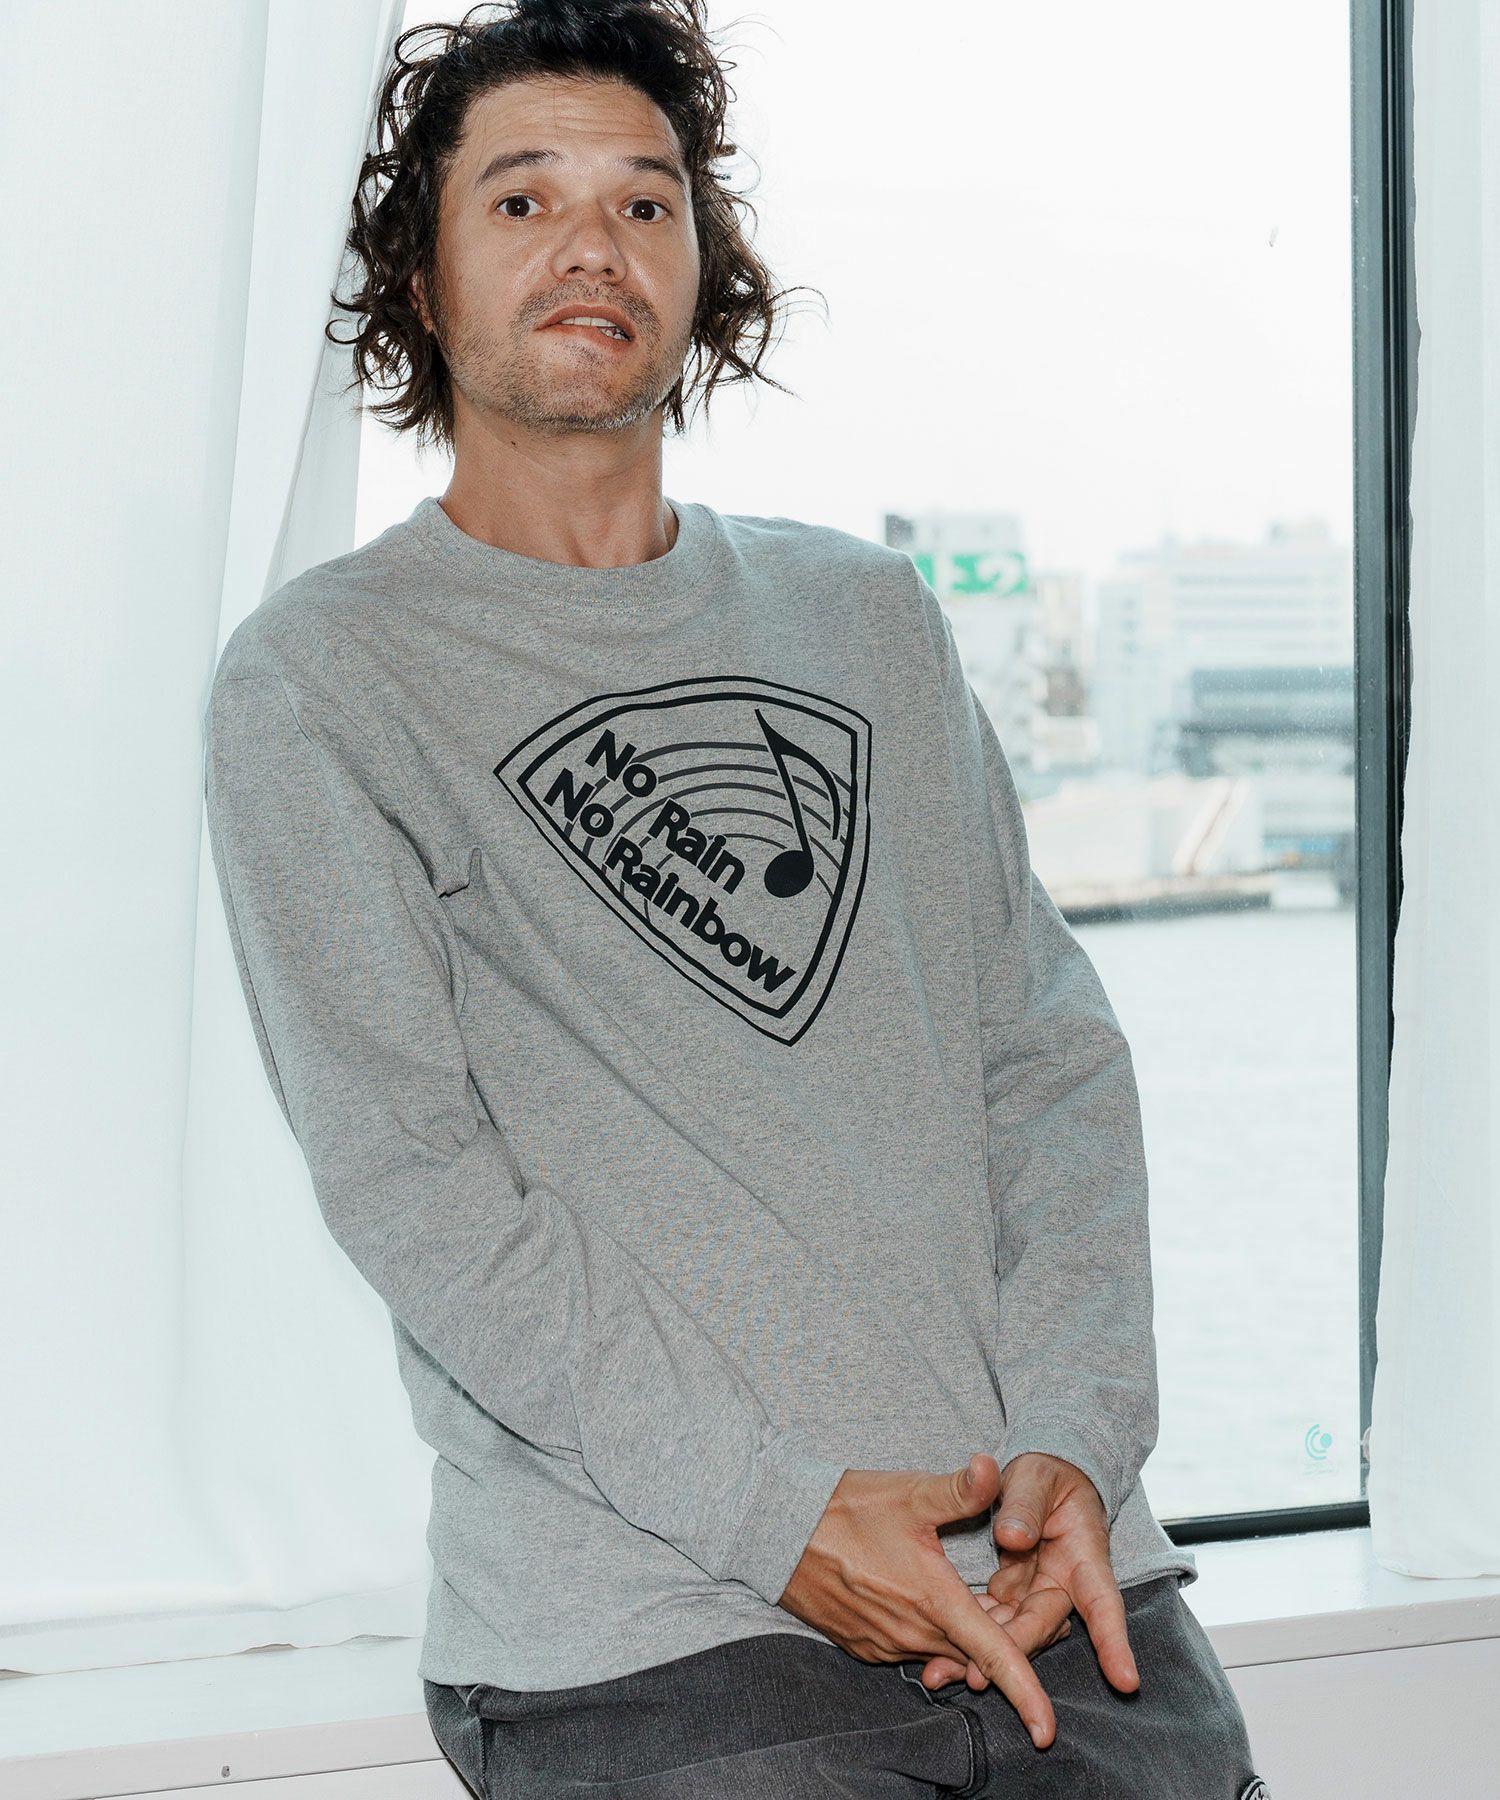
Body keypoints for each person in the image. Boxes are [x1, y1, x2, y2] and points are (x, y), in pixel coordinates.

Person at [201, 3, 1269, 1795]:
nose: (593, 246)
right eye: (522, 200)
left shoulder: (868, 618)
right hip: (657, 1637)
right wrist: (784, 1521)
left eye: (646, 201)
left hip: (1054, 1583)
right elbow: (417, 1187)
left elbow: (1048, 1059)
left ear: (705, 267)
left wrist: (1079, 1444)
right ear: (421, 278)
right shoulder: (324, 679)